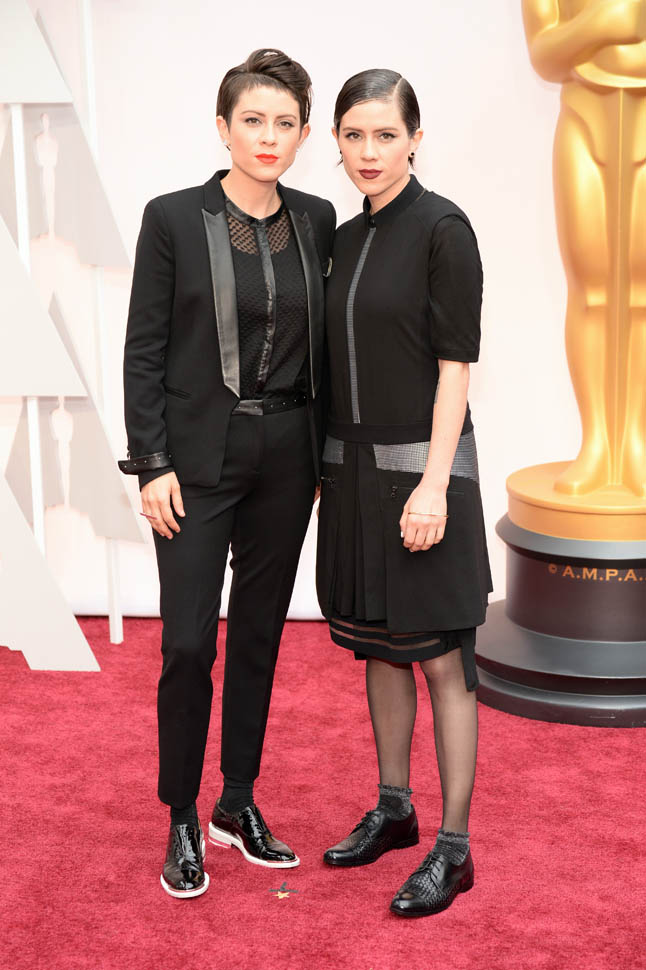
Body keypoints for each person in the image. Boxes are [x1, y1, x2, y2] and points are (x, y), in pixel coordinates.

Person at [120, 49, 335, 898]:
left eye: (285, 123)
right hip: (195, 462)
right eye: (253, 120)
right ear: (223, 127)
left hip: (289, 455)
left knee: (259, 633)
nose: (268, 136)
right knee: (186, 642)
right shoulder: (173, 218)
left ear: (304, 134)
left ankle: (235, 802)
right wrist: (152, 464)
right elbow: (144, 349)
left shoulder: (317, 219)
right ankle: (181, 813)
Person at [317, 69, 492, 917]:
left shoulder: (442, 229)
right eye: (353, 135)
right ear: (336, 141)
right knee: (378, 646)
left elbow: (457, 368)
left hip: (424, 476)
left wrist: (433, 488)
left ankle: (454, 849)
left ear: (415, 139)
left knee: (443, 660)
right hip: (351, 475)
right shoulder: (344, 239)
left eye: (386, 135)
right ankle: (395, 809)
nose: (369, 152)